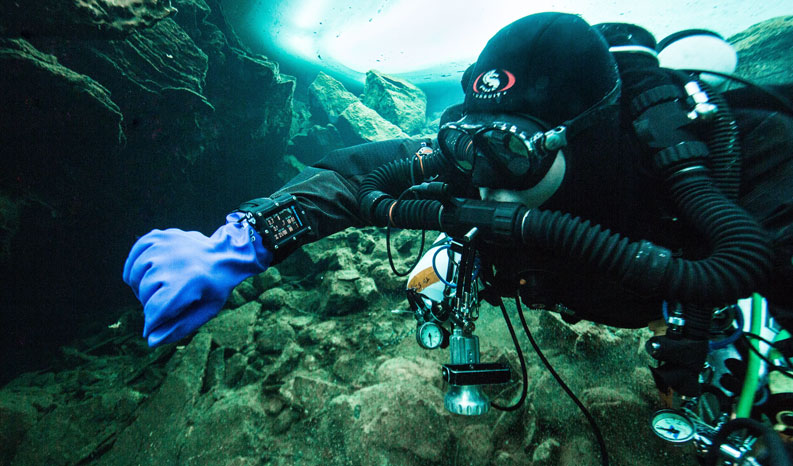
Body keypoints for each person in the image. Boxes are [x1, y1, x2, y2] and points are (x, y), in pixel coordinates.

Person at [123, 11, 792, 405]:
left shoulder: (733, 158)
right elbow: (353, 171)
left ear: (581, 138)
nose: (483, 178)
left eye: (510, 150)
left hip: (681, 295)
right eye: (467, 143)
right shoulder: (475, 155)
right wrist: (242, 241)